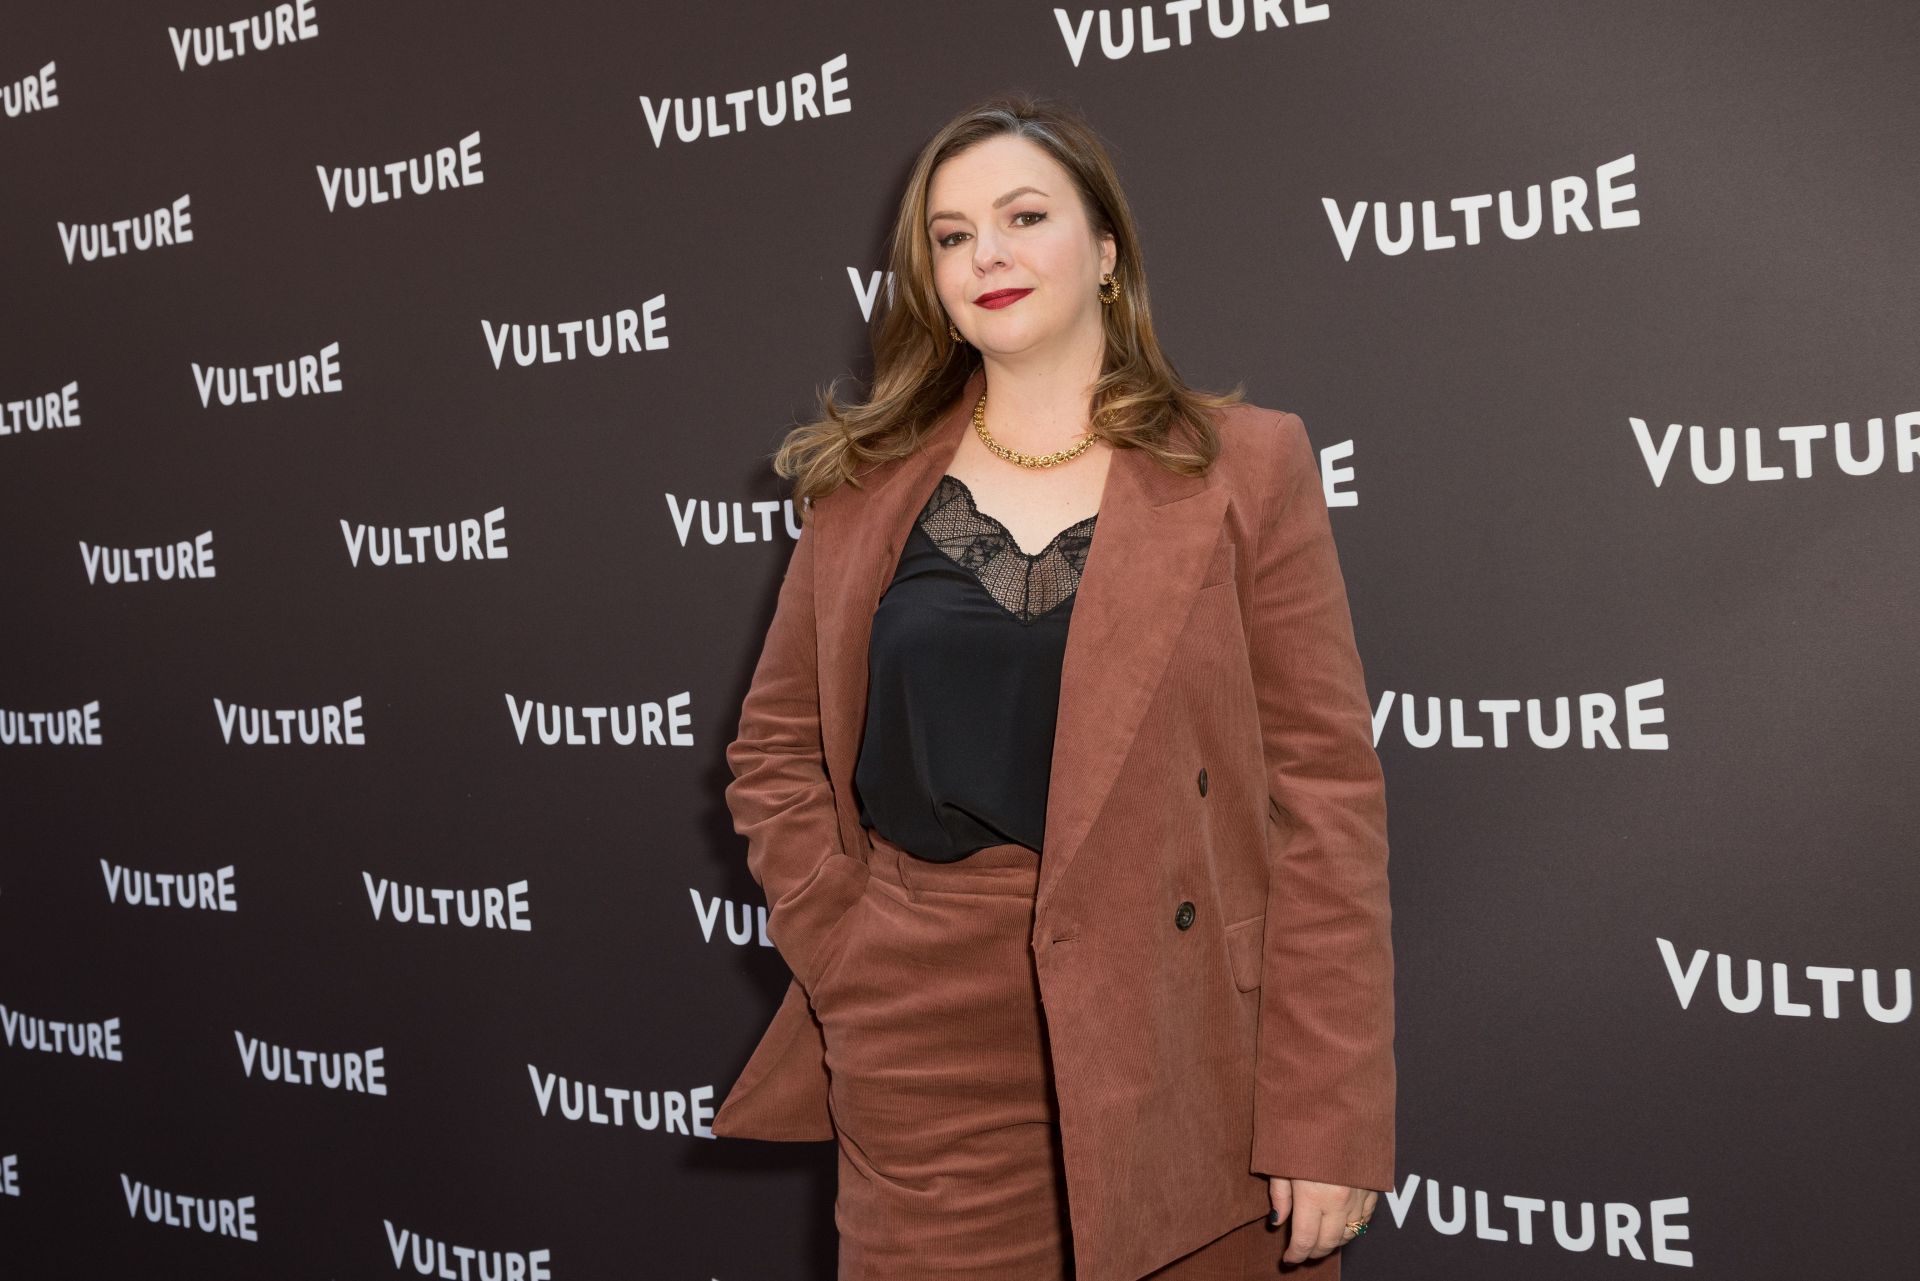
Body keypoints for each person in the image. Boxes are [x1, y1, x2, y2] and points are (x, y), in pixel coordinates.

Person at [712, 92, 1394, 1281]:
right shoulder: (859, 489)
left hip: (1187, 1036)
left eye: (1025, 216)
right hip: (924, 1035)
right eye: (952, 234)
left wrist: (1325, 1113)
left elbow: (1325, 800)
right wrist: (847, 946)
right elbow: (772, 753)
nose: (990, 255)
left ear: (1108, 249)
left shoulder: (1248, 465)